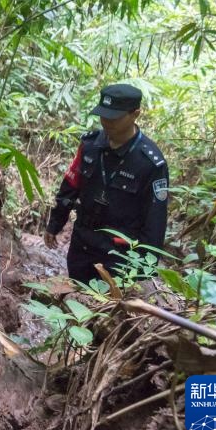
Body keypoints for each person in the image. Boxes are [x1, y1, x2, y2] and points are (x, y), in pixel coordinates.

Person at [44, 83, 169, 284]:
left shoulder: (150, 163)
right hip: (82, 247)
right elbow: (70, 186)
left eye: (114, 117)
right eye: (103, 115)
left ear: (135, 114)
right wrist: (55, 223)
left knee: (109, 312)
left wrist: (144, 273)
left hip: (118, 255)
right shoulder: (89, 145)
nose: (106, 122)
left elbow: (155, 222)